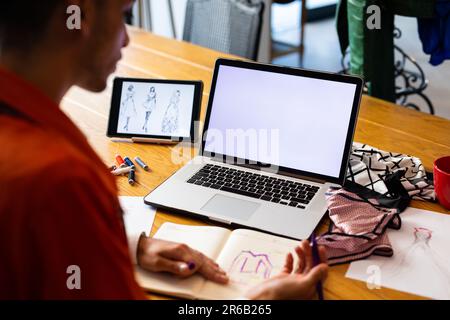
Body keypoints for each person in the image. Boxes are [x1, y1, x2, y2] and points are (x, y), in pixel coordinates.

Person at [0, 0, 328, 299]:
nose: (127, 39)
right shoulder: (60, 179)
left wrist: (131, 246)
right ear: (79, 15)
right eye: (124, 14)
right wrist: (257, 303)